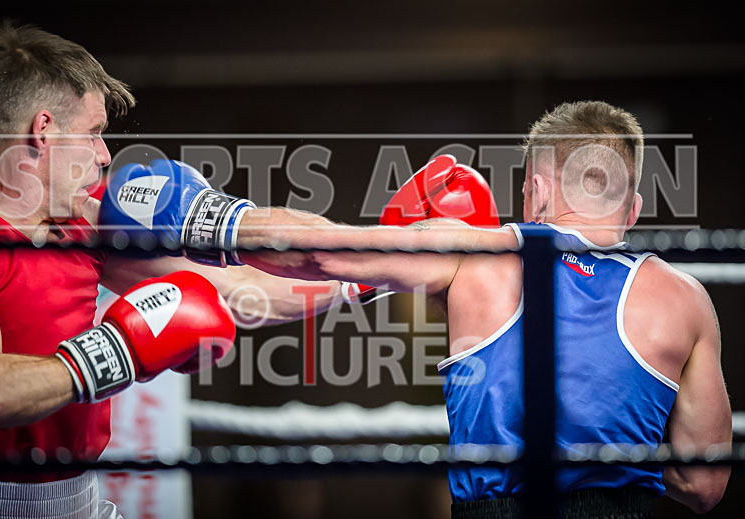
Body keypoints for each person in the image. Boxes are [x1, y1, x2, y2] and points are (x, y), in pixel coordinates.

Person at [174, 101, 730, 516]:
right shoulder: (686, 300)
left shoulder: (477, 253)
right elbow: (704, 487)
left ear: (534, 191)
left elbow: (320, 252)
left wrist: (198, 213)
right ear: (631, 208)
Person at [0, 21, 341, 518]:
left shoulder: (81, 224)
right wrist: (120, 351)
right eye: (92, 135)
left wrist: (368, 274)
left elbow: (236, 288)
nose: (104, 155)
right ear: (43, 132)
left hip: (82, 498)